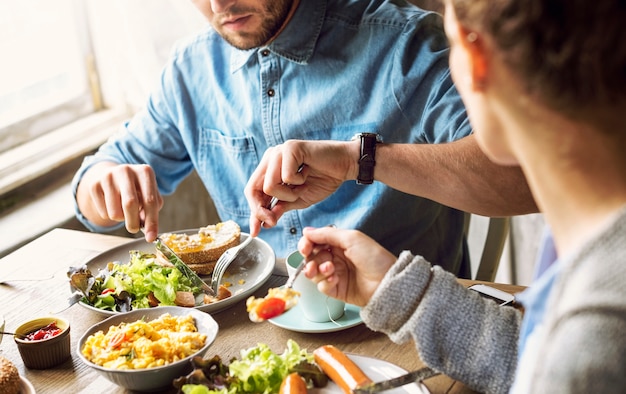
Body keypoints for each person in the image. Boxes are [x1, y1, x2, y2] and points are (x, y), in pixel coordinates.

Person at [297, 0, 626, 392]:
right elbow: (536, 357)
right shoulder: (593, 241)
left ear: (476, 57)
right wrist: (400, 290)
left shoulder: (598, 326)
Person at [72, 0, 535, 276]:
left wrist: (360, 159)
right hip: (260, 331)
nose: (219, 6)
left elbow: (524, 178)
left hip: (400, 326)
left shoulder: (403, 44)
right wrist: (105, 184)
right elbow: (95, 194)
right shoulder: (190, 71)